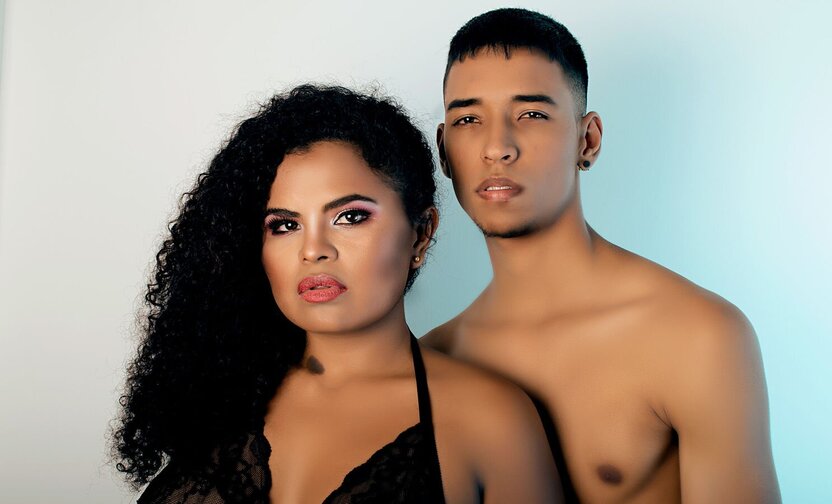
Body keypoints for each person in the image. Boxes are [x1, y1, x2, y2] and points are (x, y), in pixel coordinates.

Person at [113, 84, 561, 503]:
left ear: (420, 233)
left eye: (350, 217)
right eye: (285, 225)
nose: (313, 250)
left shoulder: (490, 420)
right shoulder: (221, 393)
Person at [423, 8, 781, 504]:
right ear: (444, 151)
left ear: (587, 140)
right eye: (468, 119)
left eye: (531, 114)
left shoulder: (697, 335)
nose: (497, 148)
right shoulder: (435, 359)